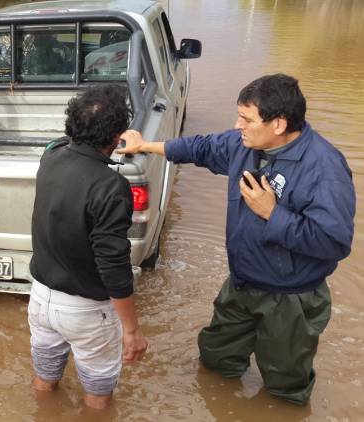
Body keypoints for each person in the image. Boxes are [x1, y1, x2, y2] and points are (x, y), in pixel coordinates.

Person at [117, 73, 355, 405]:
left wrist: (273, 213)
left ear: (278, 124)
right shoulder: (245, 145)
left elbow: (334, 243)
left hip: (290, 297)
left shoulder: (324, 169)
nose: (237, 125)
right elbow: (200, 147)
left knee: (284, 383)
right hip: (242, 283)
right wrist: (145, 146)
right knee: (215, 359)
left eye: (246, 119)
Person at [28, 84, 149, 410]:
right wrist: (131, 329)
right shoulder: (111, 186)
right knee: (97, 396)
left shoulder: (51, 156)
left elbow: (65, 141)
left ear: (72, 125)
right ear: (116, 136)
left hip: (40, 299)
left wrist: (107, 135)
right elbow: (113, 265)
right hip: (86, 311)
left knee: (44, 381)